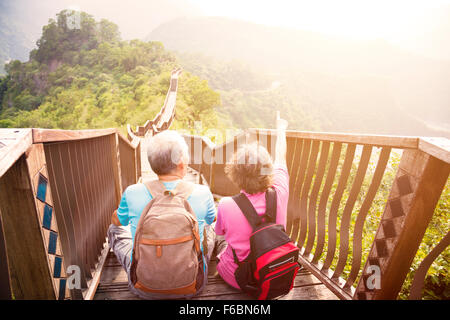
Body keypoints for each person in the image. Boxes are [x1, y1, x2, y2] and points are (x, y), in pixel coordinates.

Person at [108, 130, 216, 299]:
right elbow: (212, 219)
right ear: (181, 164)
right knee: (209, 228)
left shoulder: (132, 192)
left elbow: (118, 221)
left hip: (143, 288)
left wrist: (121, 215)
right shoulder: (202, 192)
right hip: (193, 285)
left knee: (114, 229)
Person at [214, 112, 289, 290]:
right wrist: (281, 129)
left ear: (235, 173)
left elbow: (220, 231)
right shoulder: (280, 191)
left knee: (222, 240)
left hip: (240, 279)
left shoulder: (226, 204)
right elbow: (281, 157)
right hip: (274, 274)